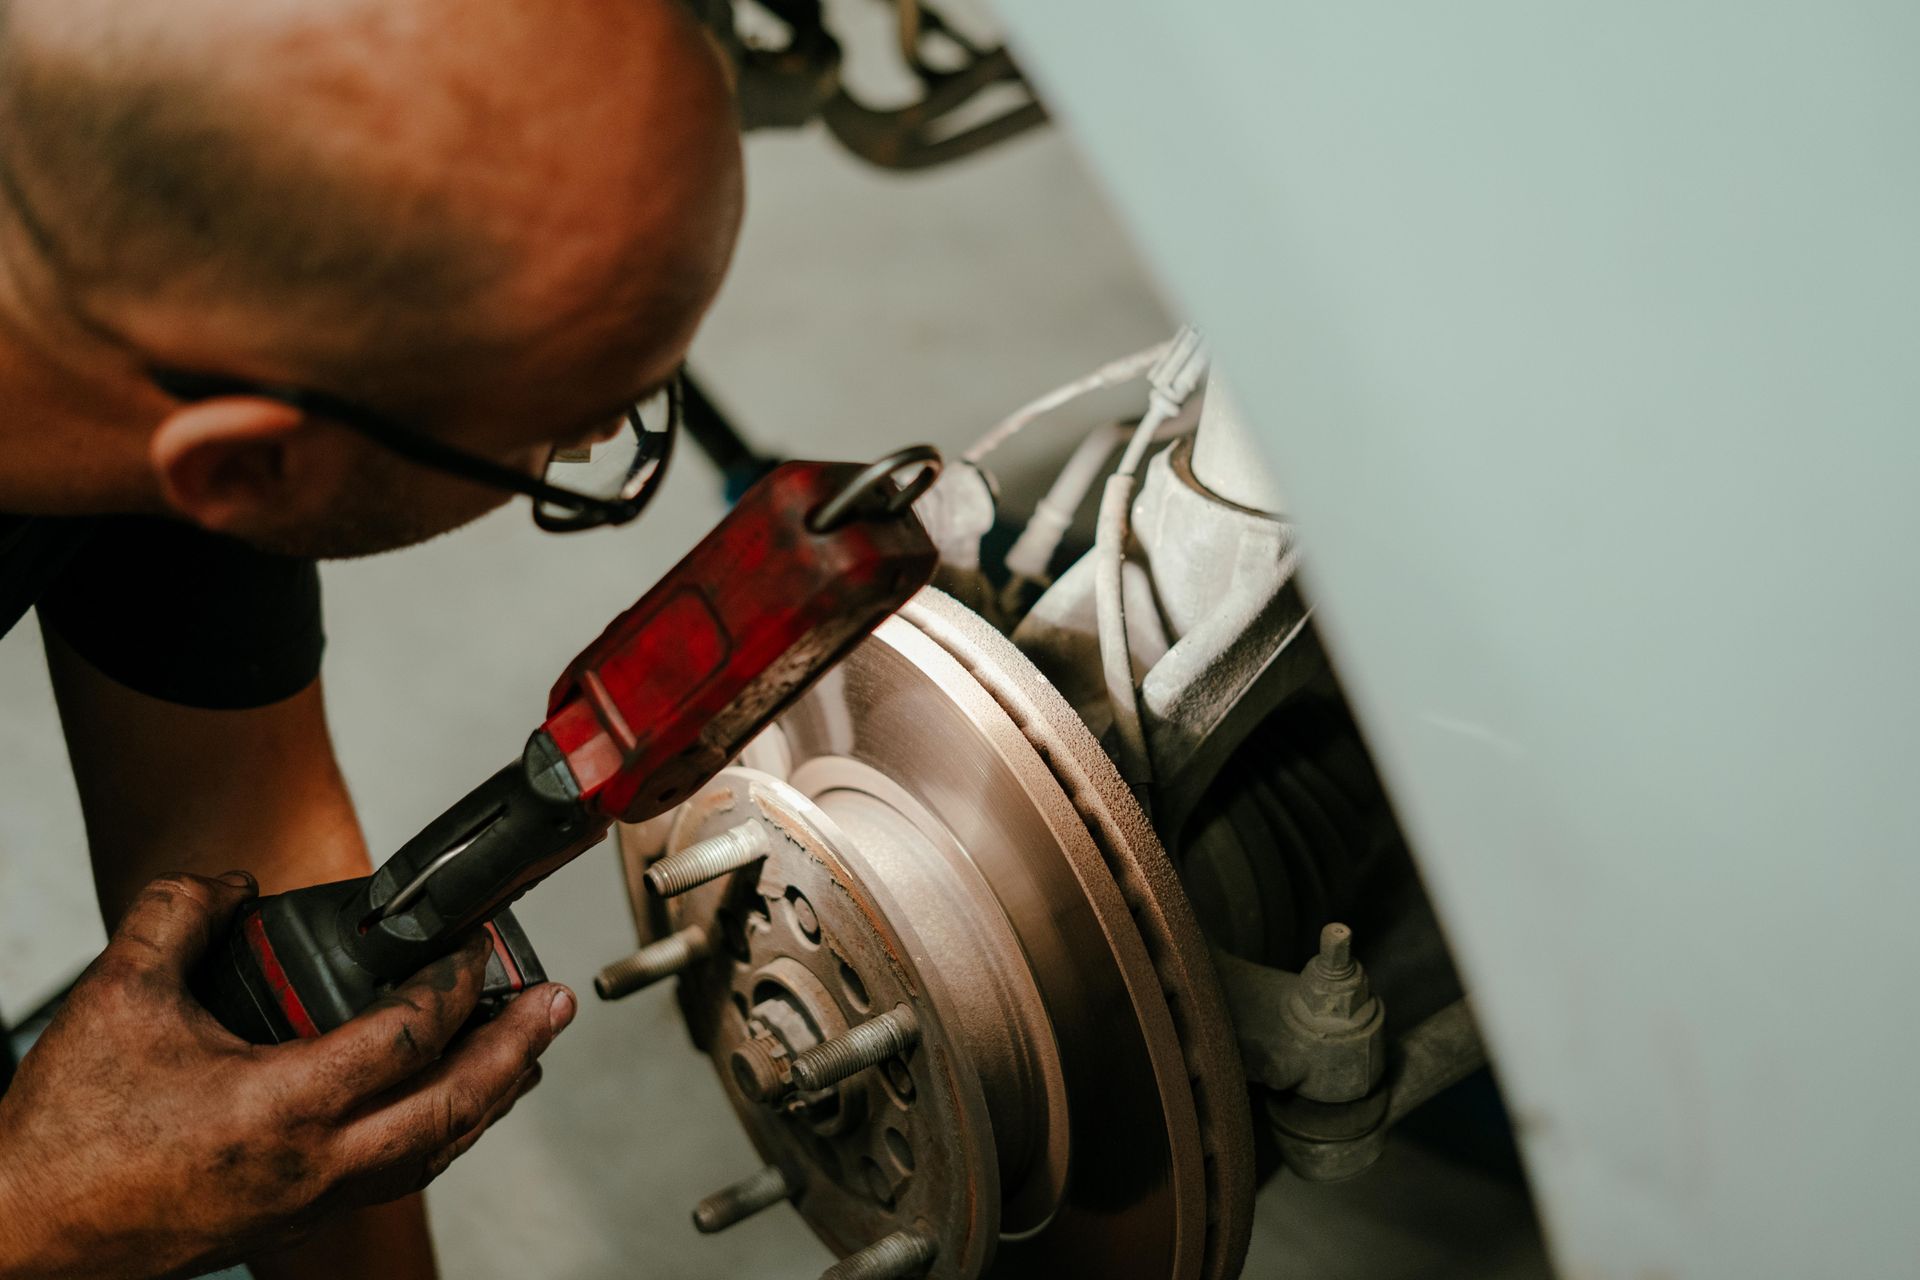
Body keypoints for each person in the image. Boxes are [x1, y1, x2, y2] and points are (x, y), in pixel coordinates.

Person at [0, 0, 744, 1274]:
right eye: (572, 432)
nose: (590, 448)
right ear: (246, 466)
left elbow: (237, 829)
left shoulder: (178, 289)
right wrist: (50, 1207)